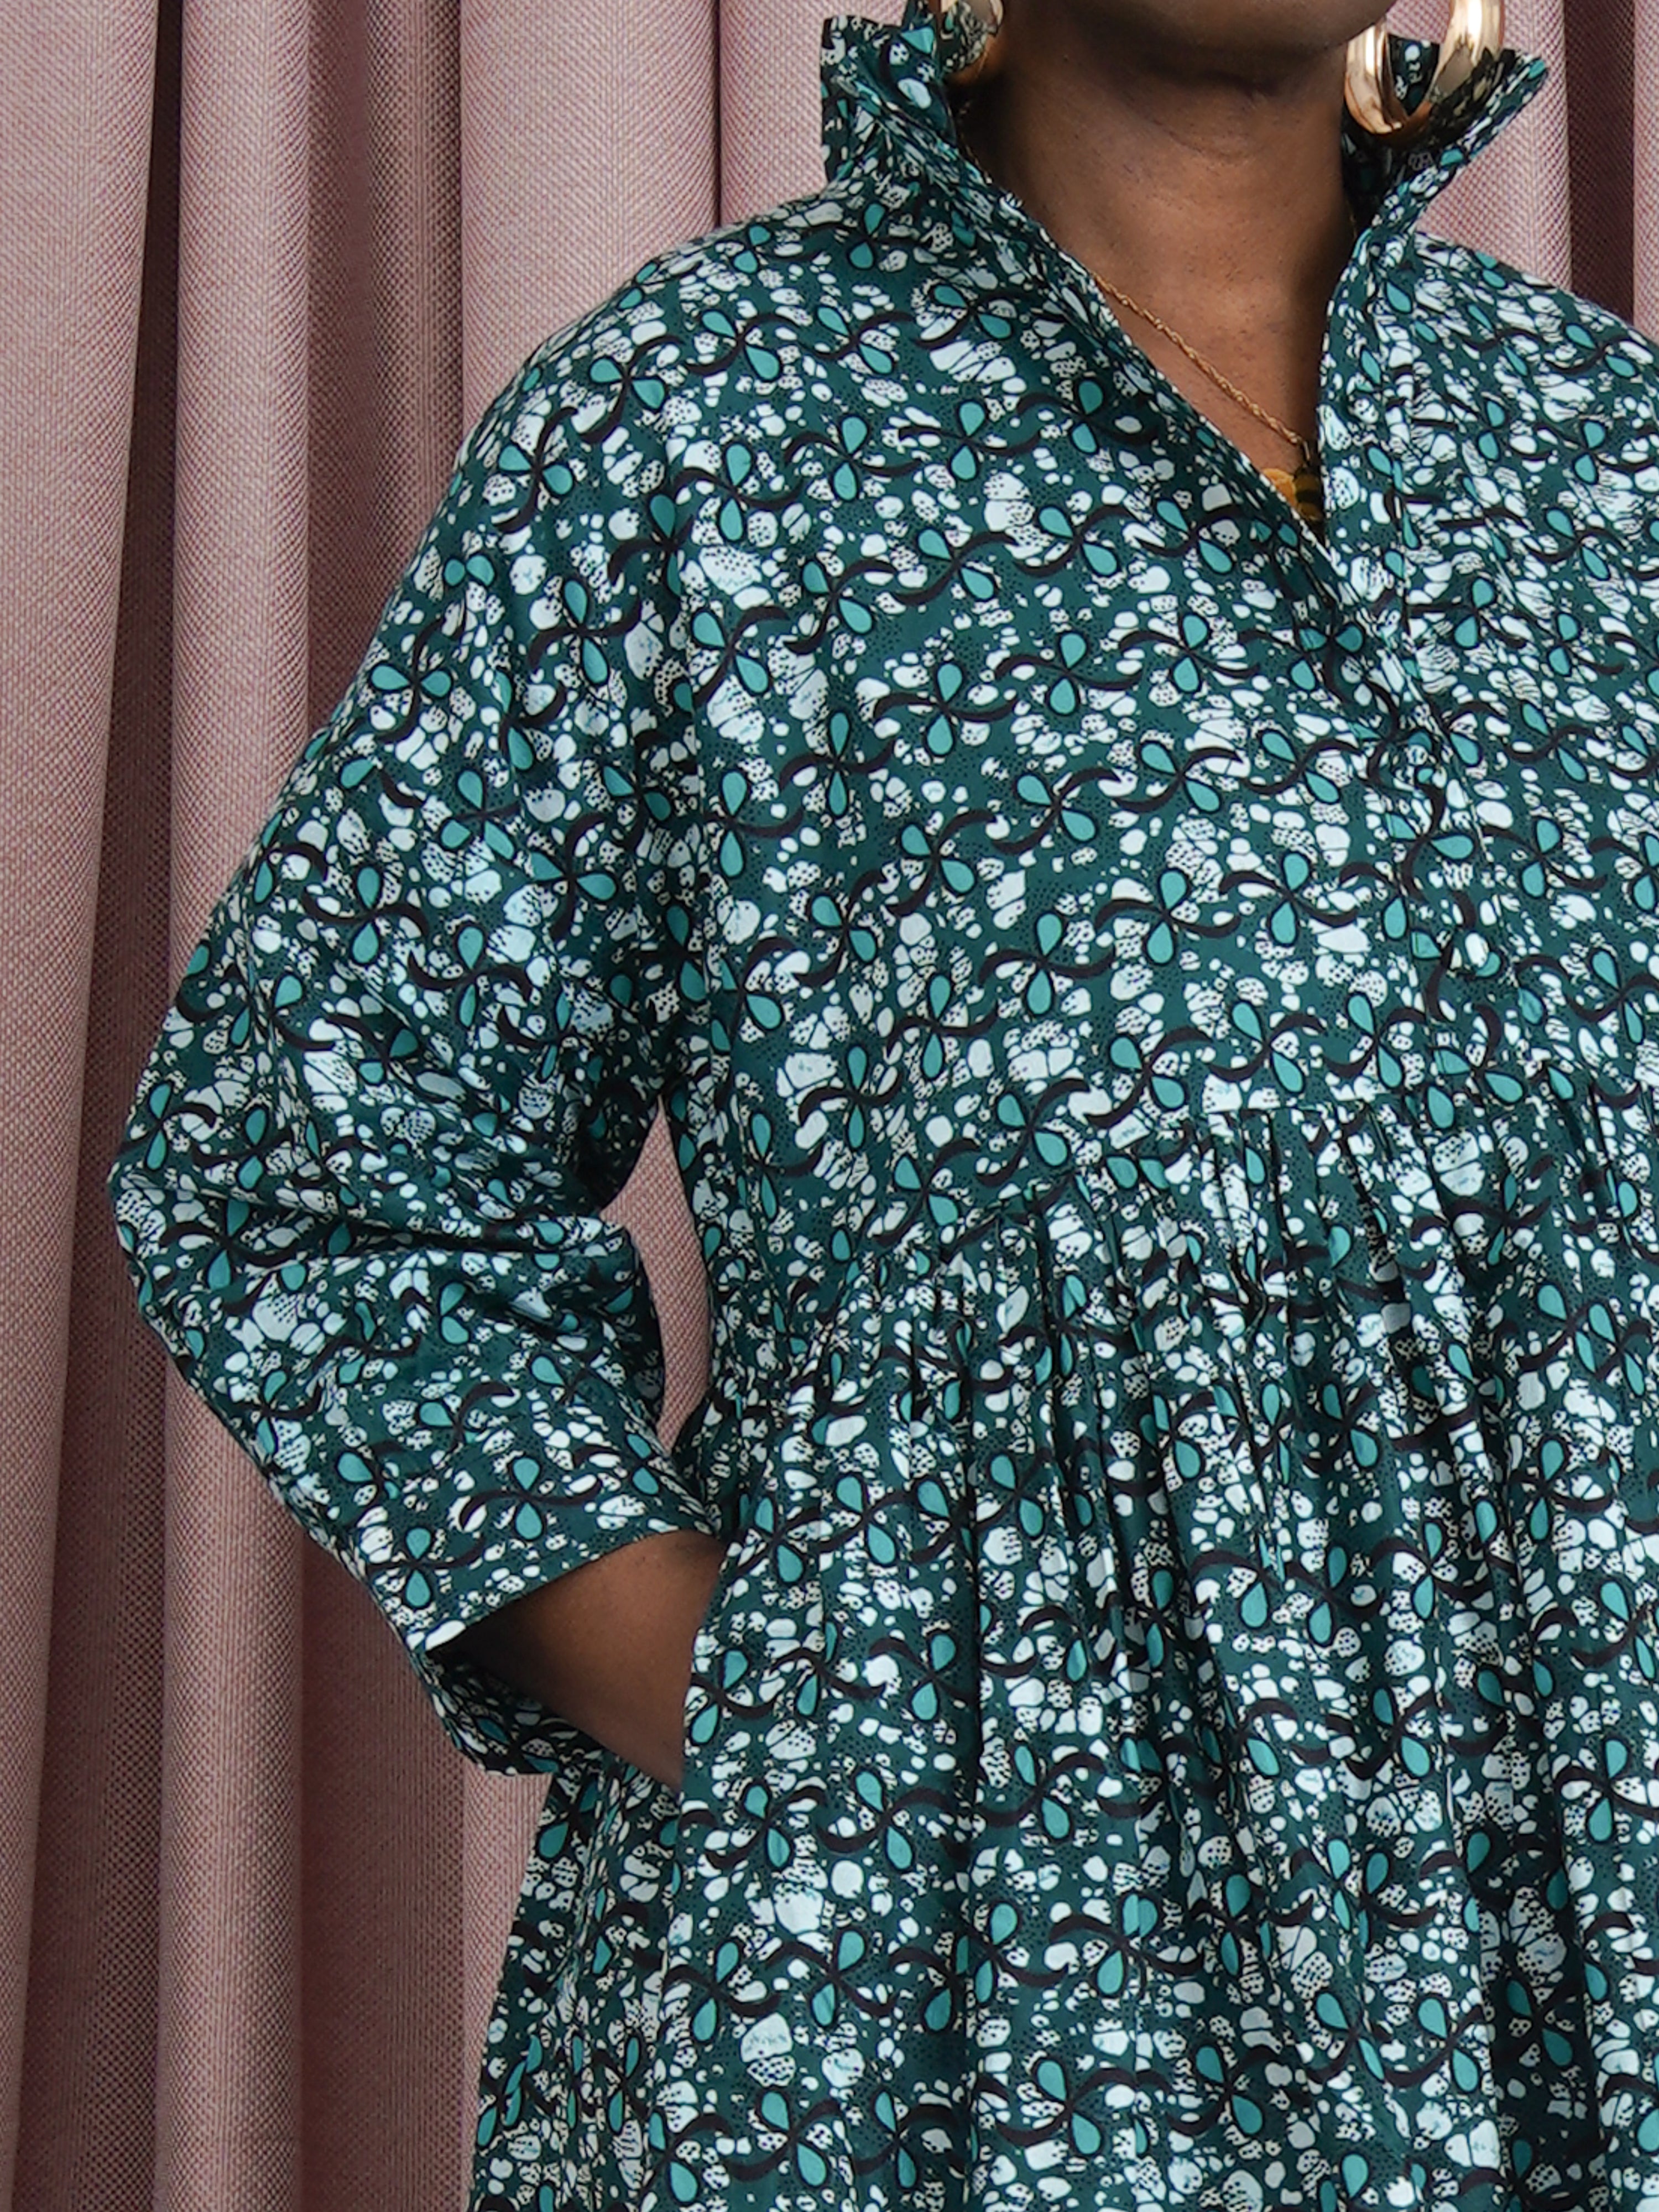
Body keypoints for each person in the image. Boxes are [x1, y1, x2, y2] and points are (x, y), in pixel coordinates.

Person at [105, 0, 1659, 2201]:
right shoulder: (694, 429)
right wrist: (777, 1730)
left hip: (1570, 1984)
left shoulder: (1606, 458)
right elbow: (302, 1160)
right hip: (935, 2037)